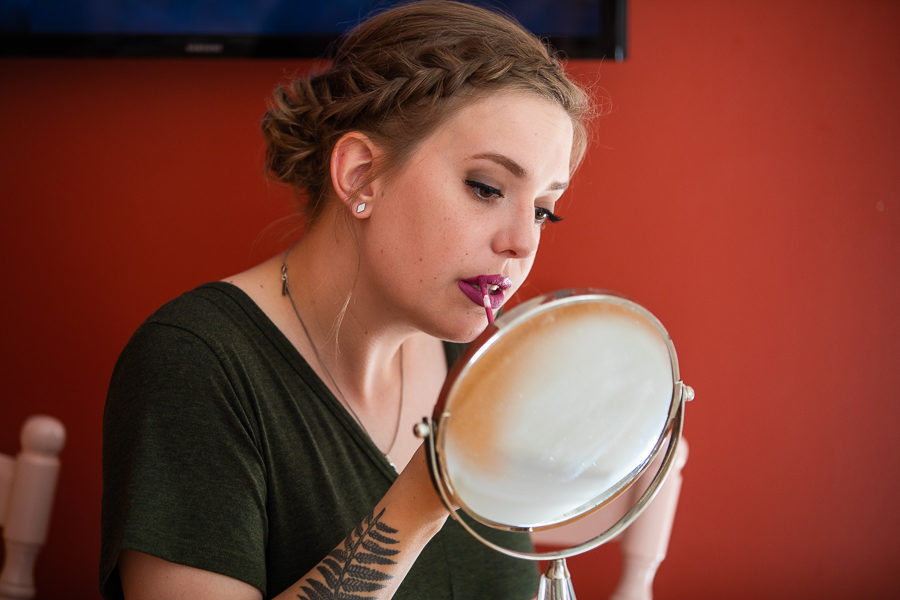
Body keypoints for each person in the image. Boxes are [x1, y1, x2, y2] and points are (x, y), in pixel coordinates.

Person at [99, 1, 592, 598]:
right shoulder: (198, 365)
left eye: (543, 210)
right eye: (486, 188)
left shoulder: (478, 368)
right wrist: (419, 503)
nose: (522, 243)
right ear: (360, 174)